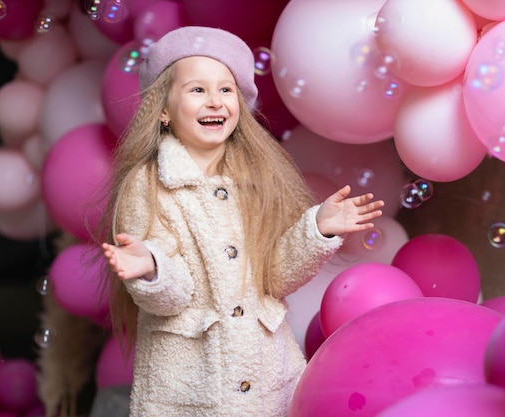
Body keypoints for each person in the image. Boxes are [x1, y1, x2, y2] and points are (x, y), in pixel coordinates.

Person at [99, 25, 384, 417]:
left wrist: (318, 228)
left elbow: (275, 275)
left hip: (267, 373)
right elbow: (173, 299)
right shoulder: (148, 185)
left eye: (226, 89)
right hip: (191, 385)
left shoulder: (256, 179)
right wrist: (152, 268)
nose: (215, 101)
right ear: (163, 109)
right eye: (197, 90)